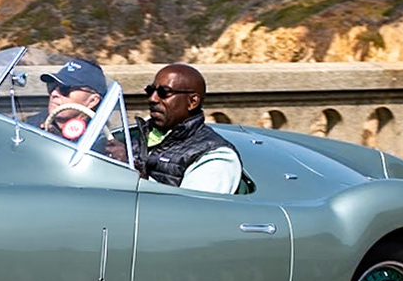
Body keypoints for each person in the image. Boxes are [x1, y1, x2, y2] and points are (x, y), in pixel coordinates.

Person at [130, 62, 243, 193]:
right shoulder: (135, 134)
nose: (152, 99)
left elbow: (191, 209)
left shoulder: (215, 155)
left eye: (163, 92)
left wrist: (136, 176)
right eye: (150, 91)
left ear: (192, 102)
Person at [27, 57, 106, 142]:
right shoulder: (31, 126)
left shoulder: (100, 139)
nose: (54, 93)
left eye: (64, 89)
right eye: (52, 86)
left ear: (92, 101)